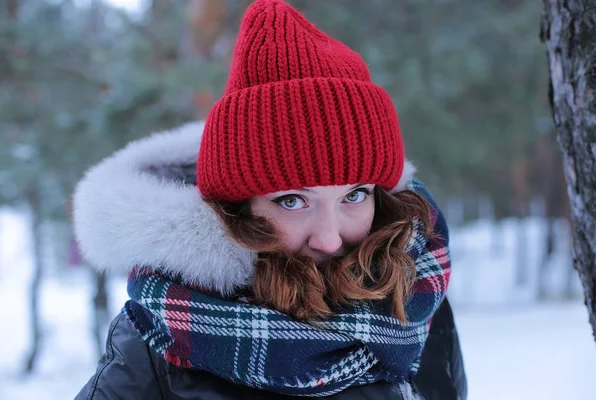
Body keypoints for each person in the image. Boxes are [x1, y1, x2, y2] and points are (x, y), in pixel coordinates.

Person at [73, 0, 467, 399]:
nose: (329, 240)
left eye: (354, 194)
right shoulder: (157, 343)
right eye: (293, 201)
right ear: (236, 206)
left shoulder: (415, 303)